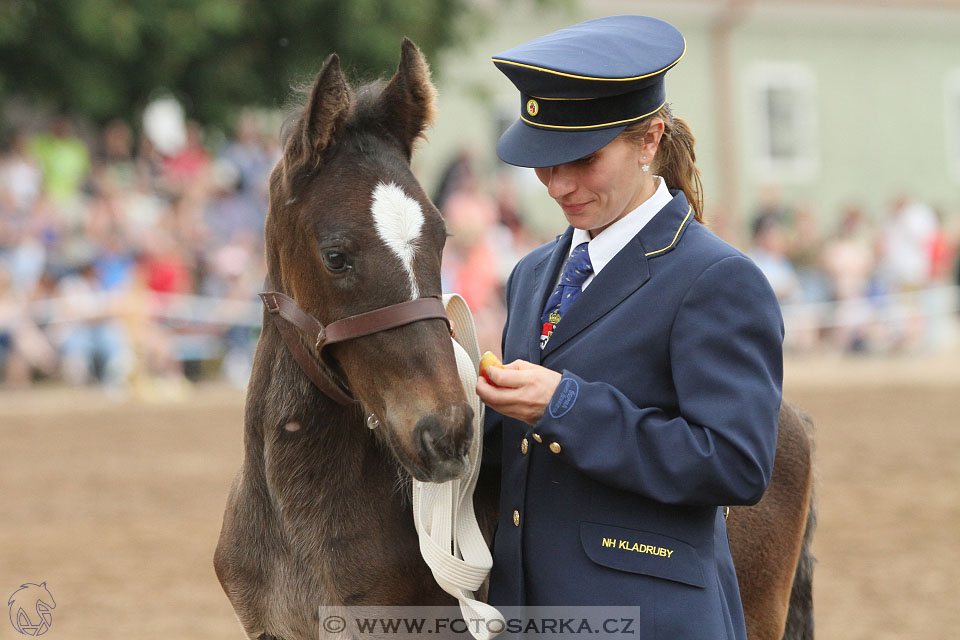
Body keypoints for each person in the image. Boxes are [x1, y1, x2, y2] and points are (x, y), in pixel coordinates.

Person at [475, 16, 784, 640]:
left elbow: (736, 464)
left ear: (649, 139)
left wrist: (565, 405)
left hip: (653, 618)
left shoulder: (715, 277)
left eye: (582, 159)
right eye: (544, 164)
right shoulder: (533, 272)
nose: (559, 186)